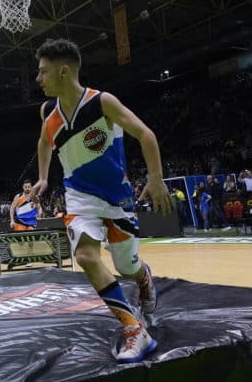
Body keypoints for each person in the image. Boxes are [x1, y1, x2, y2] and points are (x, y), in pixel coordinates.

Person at [29, 39, 172, 364]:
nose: (38, 78)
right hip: (79, 198)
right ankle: (135, 329)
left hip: (117, 200)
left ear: (63, 72)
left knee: (126, 267)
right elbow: (44, 143)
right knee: (85, 255)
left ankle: (143, 277)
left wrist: (156, 178)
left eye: (43, 71)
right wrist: (42, 177)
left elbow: (146, 135)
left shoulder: (102, 102)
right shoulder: (47, 113)